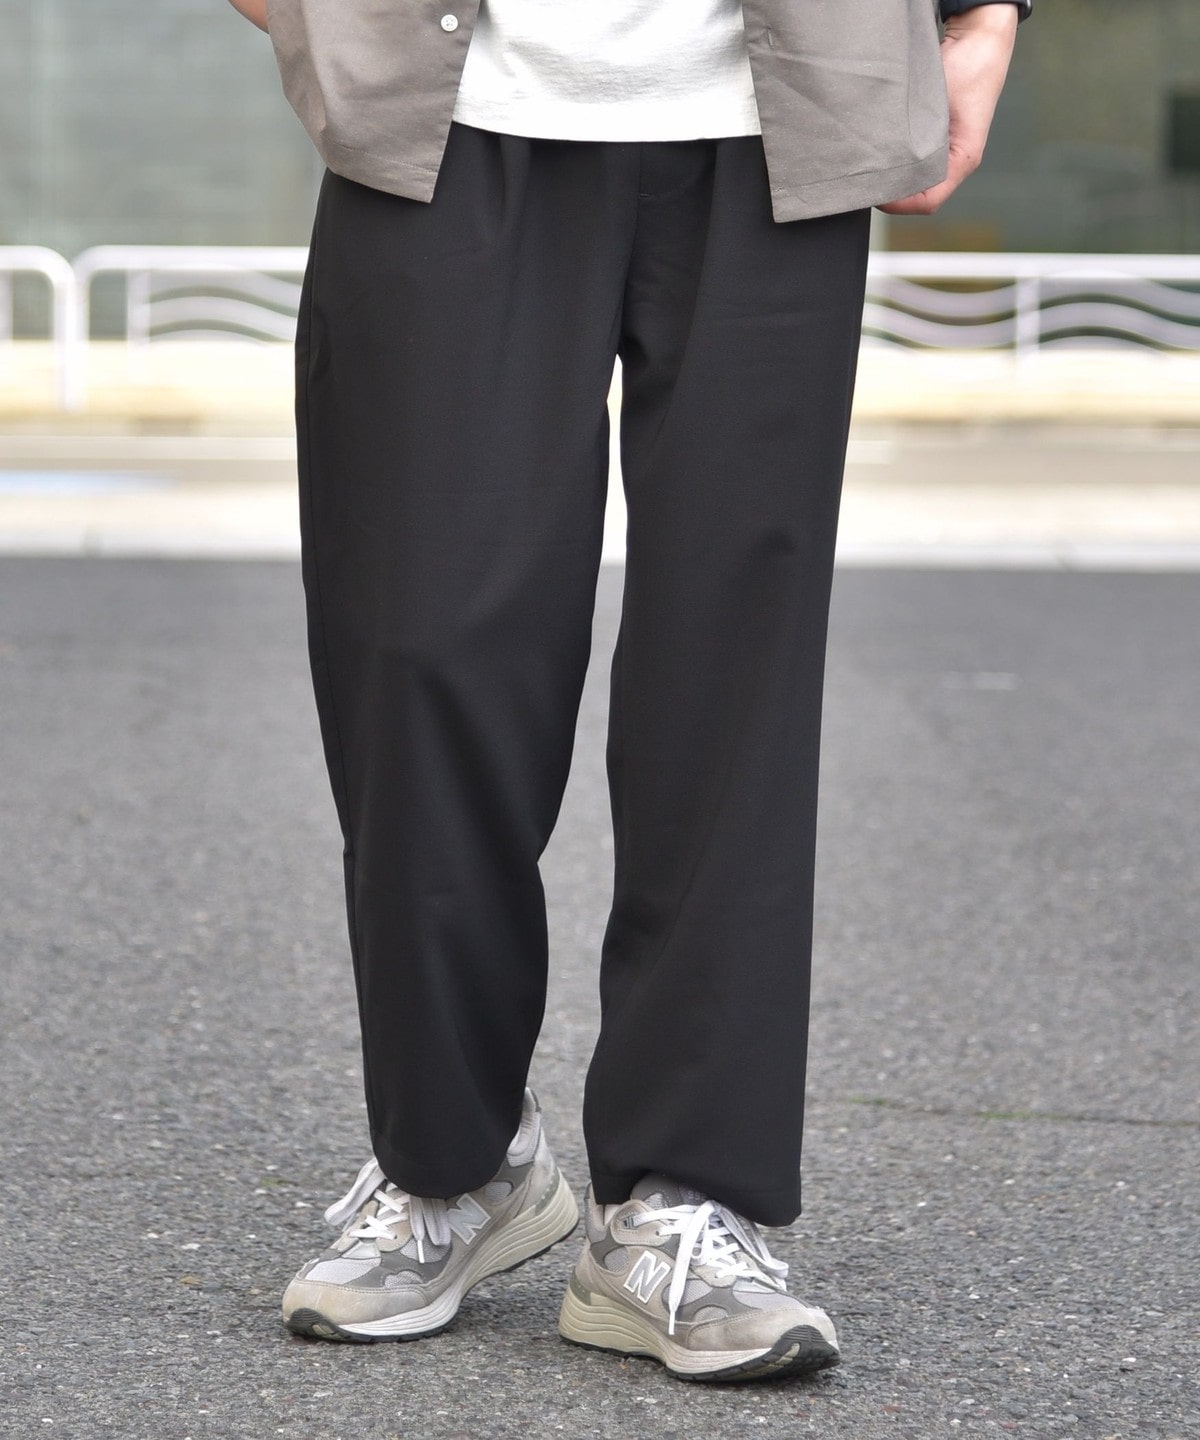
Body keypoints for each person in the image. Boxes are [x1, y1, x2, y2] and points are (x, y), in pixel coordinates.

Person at [226, 0, 1028, 1383]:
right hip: (446, 105)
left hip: (776, 114)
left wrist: (988, 11)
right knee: (416, 649)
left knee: (732, 664)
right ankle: (451, 1161)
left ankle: (683, 1200)